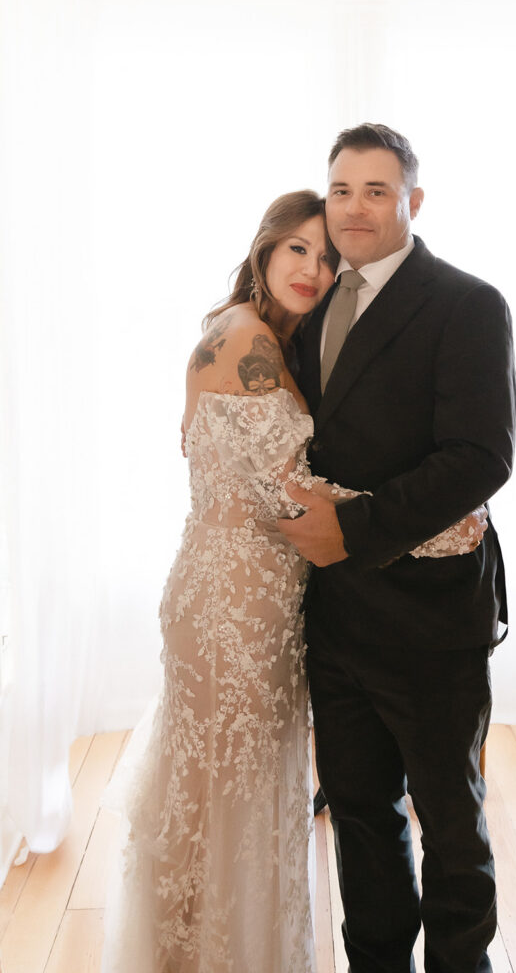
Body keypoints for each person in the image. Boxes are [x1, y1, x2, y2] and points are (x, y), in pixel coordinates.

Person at [101, 189, 488, 973]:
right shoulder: (246, 342)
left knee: (222, 794)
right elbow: (290, 493)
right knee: (229, 797)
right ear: (264, 251)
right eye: (296, 250)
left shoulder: (258, 337)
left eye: (325, 256)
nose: (312, 269)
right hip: (234, 603)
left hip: (251, 595)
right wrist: (444, 521)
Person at [279, 124, 516, 973]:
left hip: (430, 618)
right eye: (340, 190)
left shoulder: (466, 303)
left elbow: (480, 457)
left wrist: (351, 529)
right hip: (336, 617)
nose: (354, 208)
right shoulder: (309, 306)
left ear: (412, 202)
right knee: (358, 811)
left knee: (448, 815)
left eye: (376, 191)